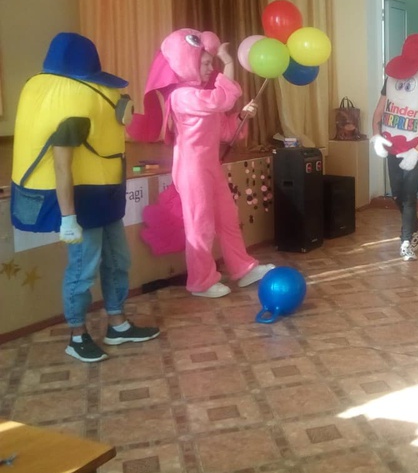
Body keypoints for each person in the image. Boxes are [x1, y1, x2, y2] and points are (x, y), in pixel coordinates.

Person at [11, 33, 160, 363]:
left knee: (118, 261)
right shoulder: (70, 102)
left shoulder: (89, 96)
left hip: (104, 194)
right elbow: (61, 165)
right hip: (80, 200)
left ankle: (117, 324)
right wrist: (68, 217)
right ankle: (77, 335)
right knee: (83, 270)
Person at [128, 29, 274, 298]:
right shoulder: (182, 96)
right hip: (192, 170)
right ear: (188, 63)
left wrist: (243, 115)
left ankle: (242, 268)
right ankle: (201, 281)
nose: (209, 69)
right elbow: (221, 100)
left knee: (228, 218)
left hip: (210, 167)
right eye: (205, 63)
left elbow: (226, 130)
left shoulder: (201, 96)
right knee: (201, 226)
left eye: (211, 63)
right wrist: (227, 62)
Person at [370, 34, 418, 261]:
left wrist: (417, 152)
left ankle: (405, 242)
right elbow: (379, 111)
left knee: (409, 195)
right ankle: (417, 230)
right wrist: (376, 136)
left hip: (416, 146)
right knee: (397, 195)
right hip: (393, 143)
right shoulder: (391, 78)